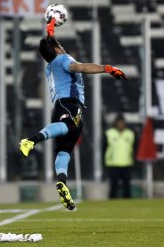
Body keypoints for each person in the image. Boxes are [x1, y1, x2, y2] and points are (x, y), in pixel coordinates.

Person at [18, 18, 127, 210]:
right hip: (69, 103)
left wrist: (50, 28)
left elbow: (51, 45)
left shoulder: (51, 63)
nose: (62, 46)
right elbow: (81, 67)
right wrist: (108, 69)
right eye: (60, 45)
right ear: (58, 50)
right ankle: (31, 141)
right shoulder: (64, 60)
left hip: (61, 106)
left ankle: (62, 182)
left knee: (65, 150)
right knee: (69, 127)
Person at [105, 115, 135, 199]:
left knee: (127, 186)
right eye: (119, 123)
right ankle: (112, 202)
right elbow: (104, 148)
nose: (121, 124)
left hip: (127, 163)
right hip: (113, 164)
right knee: (113, 186)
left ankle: (128, 203)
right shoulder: (109, 133)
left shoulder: (130, 134)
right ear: (116, 123)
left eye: (122, 123)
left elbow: (134, 147)